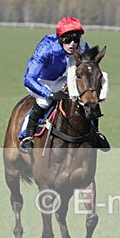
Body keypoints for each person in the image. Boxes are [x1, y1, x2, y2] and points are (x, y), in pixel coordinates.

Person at [20, 16, 109, 153]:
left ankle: (95, 133)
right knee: (44, 101)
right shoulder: (47, 48)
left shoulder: (83, 46)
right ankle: (27, 135)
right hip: (43, 81)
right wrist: (50, 93)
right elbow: (28, 78)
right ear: (60, 39)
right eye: (68, 40)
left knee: (87, 100)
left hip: (67, 79)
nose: (72, 44)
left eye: (76, 40)